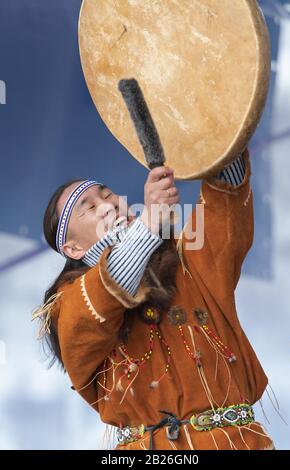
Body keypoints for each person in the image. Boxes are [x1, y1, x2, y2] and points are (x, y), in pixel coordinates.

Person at [33, 150, 275, 450]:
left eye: (108, 195)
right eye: (89, 207)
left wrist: (220, 137)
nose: (109, 205)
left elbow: (225, 202)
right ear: (72, 249)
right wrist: (150, 223)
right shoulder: (67, 304)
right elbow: (108, 288)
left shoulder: (186, 260)